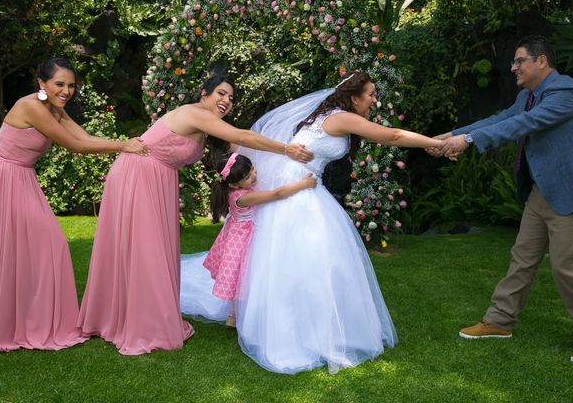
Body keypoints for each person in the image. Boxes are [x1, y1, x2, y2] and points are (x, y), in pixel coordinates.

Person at [181, 71, 446, 374]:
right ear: (353, 97)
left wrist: (432, 142)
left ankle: (307, 323)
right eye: (371, 94)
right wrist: (433, 143)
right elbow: (393, 136)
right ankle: (297, 332)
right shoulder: (341, 117)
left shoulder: (334, 116)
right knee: (310, 256)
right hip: (300, 188)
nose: (375, 99)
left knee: (304, 259)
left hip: (305, 184)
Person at [77, 75, 313, 356]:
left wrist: (287, 155)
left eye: (231, 98)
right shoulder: (193, 113)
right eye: (221, 94)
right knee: (144, 249)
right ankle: (137, 322)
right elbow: (241, 135)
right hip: (138, 173)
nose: (226, 101)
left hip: (158, 178)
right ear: (204, 93)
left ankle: (138, 316)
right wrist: (286, 149)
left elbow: (242, 146)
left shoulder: (207, 129)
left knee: (155, 249)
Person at [0, 57, 148, 351]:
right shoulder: (32, 106)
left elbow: (83, 135)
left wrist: (123, 141)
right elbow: (75, 146)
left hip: (21, 177)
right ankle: (26, 321)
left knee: (26, 248)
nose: (66, 91)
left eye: (71, 85)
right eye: (59, 84)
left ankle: (23, 317)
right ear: (41, 84)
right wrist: (122, 145)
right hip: (3, 177)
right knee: (49, 243)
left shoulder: (55, 109)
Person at [434, 35, 573, 364]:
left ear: (542, 61)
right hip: (541, 192)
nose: (513, 67)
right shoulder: (528, 96)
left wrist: (468, 140)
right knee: (522, 258)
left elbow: (525, 124)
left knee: (567, 267)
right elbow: (499, 120)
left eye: (520, 61)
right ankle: (500, 321)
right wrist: (452, 135)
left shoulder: (565, 93)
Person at [204, 152, 317, 327]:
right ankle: (237, 314)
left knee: (240, 275)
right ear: (234, 184)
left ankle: (233, 315)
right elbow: (277, 194)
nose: (254, 176)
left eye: (253, 170)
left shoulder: (234, 190)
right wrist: (304, 184)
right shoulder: (244, 196)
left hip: (236, 233)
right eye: (248, 177)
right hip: (243, 238)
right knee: (244, 274)